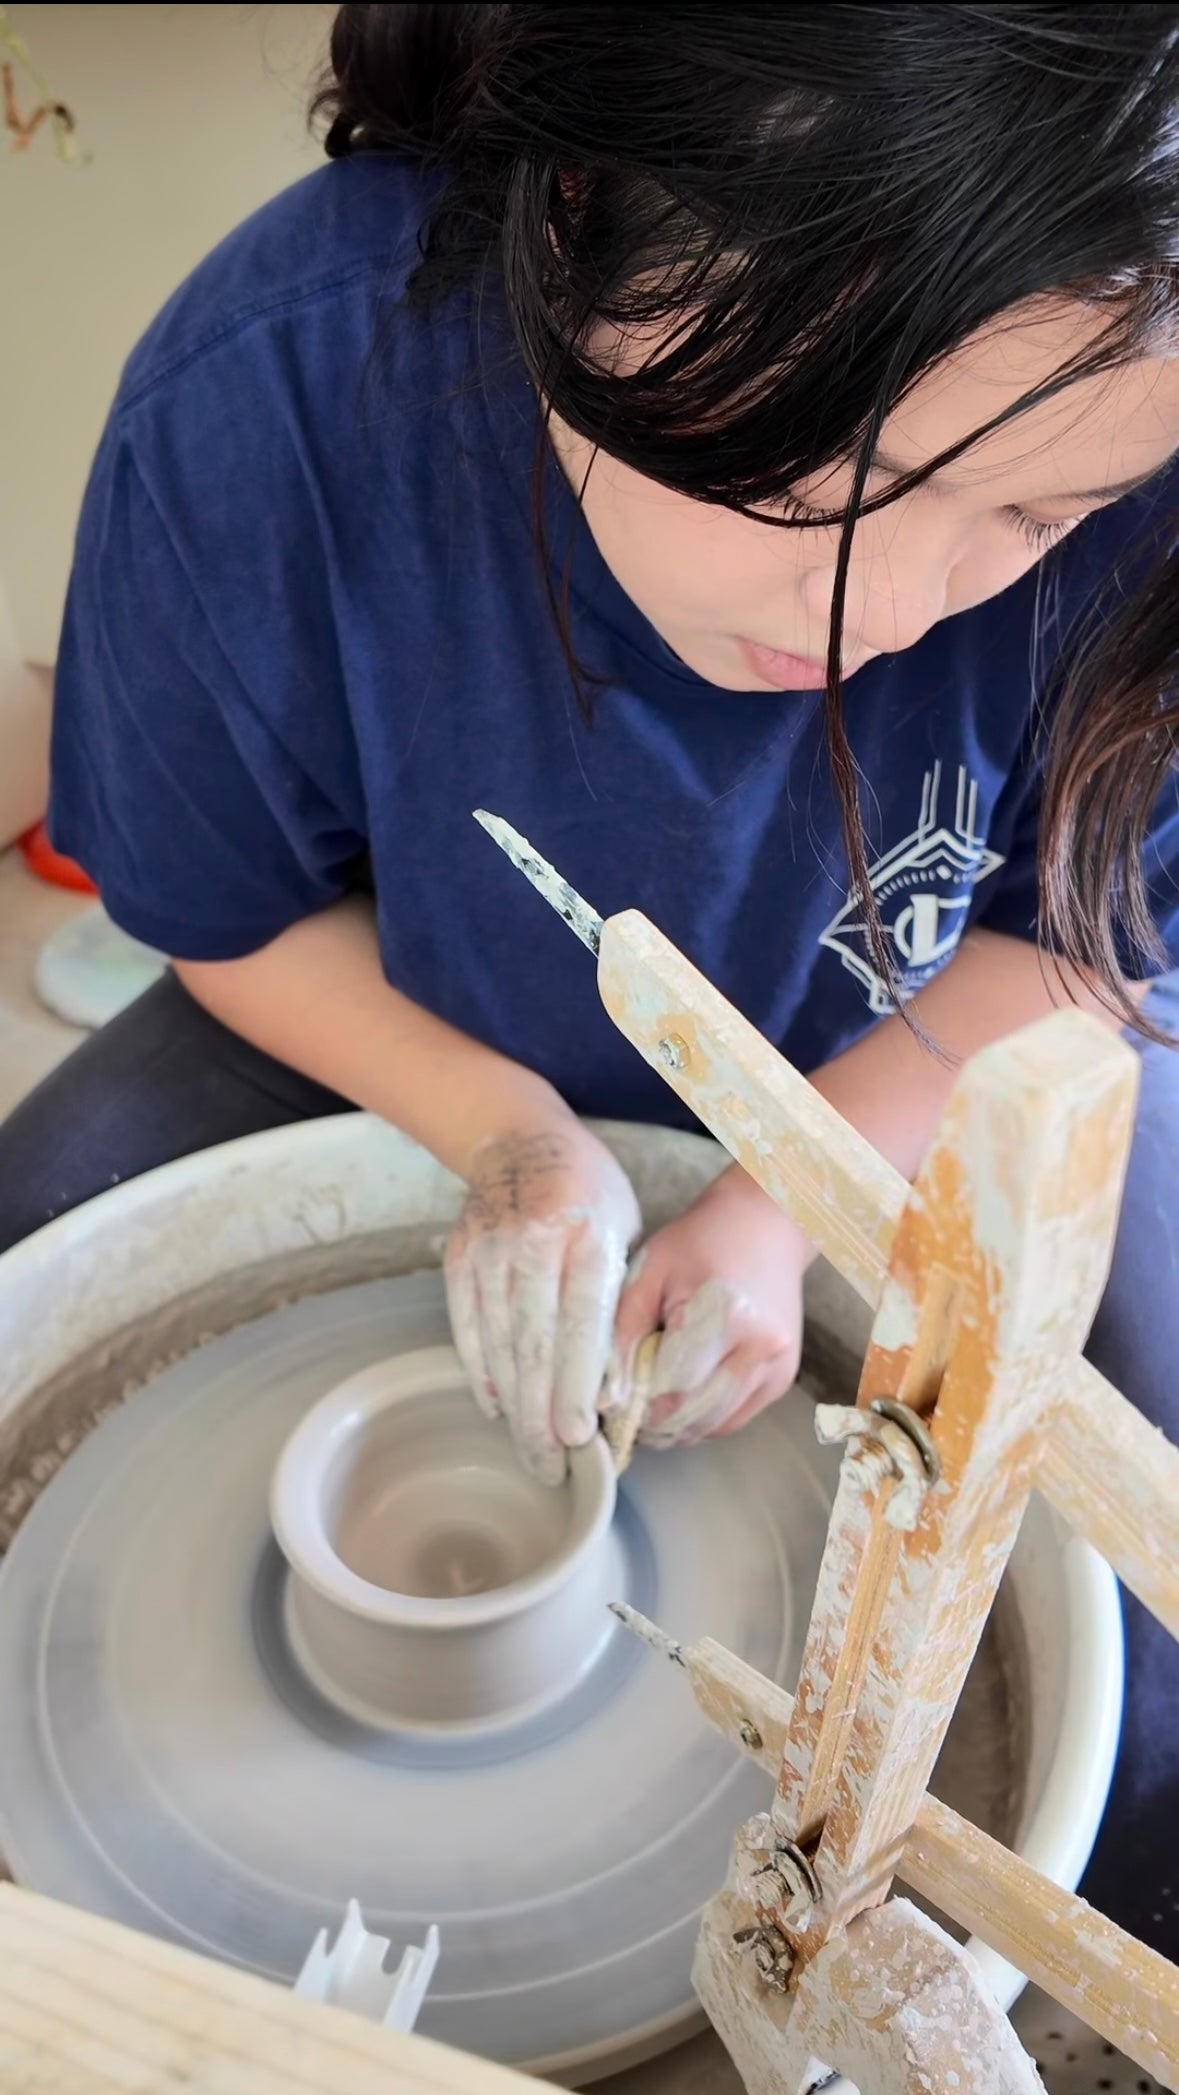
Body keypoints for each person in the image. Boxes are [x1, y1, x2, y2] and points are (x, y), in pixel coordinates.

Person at [1, 1, 1178, 1955]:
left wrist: (783, 1201)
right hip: (404, 1010)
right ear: (577, 229)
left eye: (1031, 521)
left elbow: (1084, 947)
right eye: (830, 490)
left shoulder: (1145, 432)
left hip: (925, 1045)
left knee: (1140, 1633)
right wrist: (511, 1137)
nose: (894, 610)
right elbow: (223, 919)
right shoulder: (274, 396)